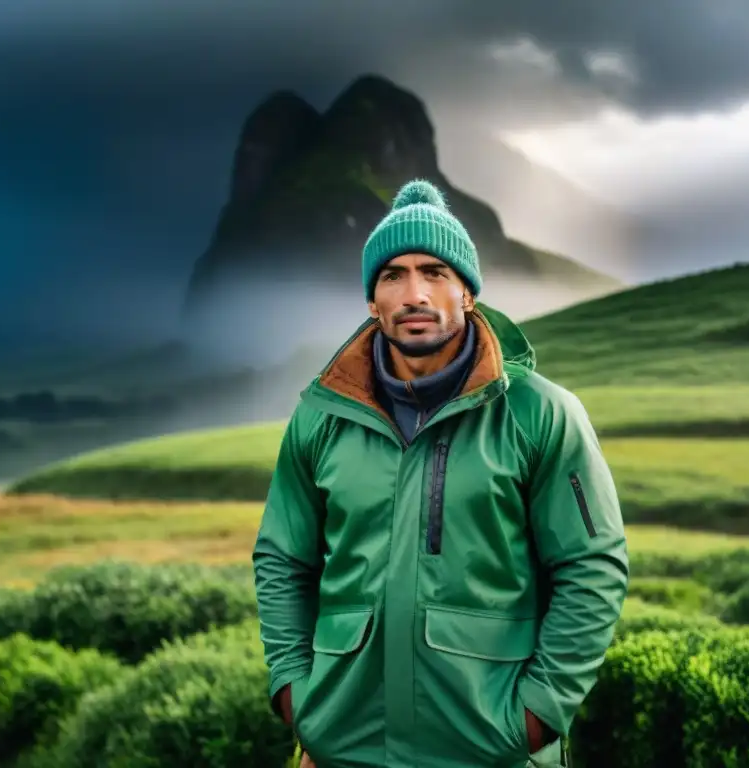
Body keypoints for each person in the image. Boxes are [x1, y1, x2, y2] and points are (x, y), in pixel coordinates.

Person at [253, 179, 629, 768]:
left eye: (434, 272)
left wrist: (536, 713)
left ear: (467, 293)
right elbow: (282, 559)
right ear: (372, 301)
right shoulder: (320, 416)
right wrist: (296, 695)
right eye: (392, 275)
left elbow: (593, 567)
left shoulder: (541, 414)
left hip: (491, 747)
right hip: (342, 744)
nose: (414, 293)